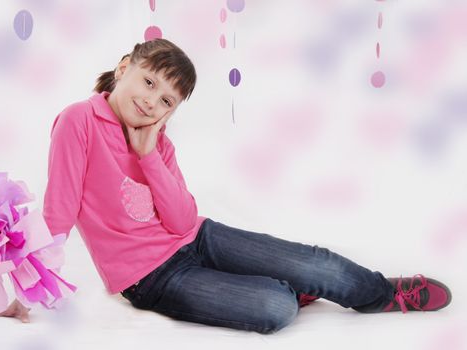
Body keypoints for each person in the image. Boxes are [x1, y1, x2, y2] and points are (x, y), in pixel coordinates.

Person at [42, 38, 452, 334]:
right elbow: (58, 213)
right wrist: (26, 284)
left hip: (197, 238)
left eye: (168, 101)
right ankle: (290, 290)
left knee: (314, 261)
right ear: (124, 67)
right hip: (150, 278)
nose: (153, 103)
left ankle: (383, 294)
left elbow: (182, 217)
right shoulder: (79, 120)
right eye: (150, 83)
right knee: (276, 306)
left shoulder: (157, 140)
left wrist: (148, 154)